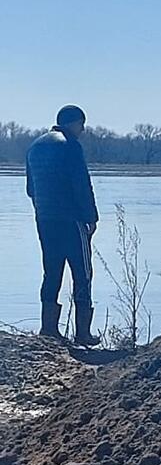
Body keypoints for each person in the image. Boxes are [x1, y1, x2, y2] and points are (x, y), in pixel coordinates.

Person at [25, 105, 101, 345]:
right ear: (74, 123)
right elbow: (82, 185)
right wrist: (91, 217)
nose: (83, 129)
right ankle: (83, 334)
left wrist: (42, 209)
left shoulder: (35, 147)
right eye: (82, 124)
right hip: (71, 220)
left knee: (52, 272)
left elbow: (30, 189)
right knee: (83, 273)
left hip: (45, 220)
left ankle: (48, 330)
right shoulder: (70, 146)